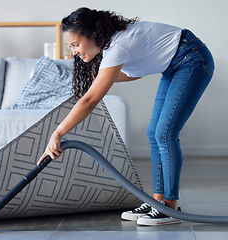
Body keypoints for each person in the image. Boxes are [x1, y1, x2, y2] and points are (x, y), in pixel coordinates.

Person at [37, 7, 214, 226]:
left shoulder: (117, 46)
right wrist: (106, 77)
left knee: (165, 133)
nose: (73, 51)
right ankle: (158, 202)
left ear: (92, 35)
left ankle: (170, 208)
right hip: (174, 66)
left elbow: (90, 101)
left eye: (75, 44)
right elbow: (135, 73)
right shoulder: (114, 45)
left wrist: (58, 132)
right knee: (154, 133)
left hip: (192, 59)